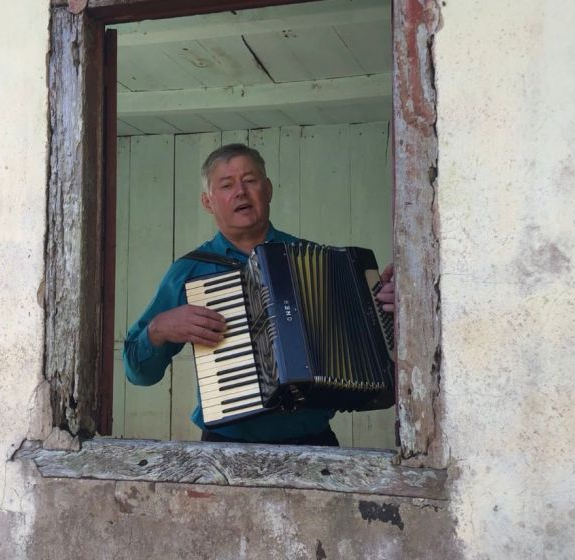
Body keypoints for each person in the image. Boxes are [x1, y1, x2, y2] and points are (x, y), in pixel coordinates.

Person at [123, 143, 395, 446]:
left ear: (267, 190)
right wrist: (158, 329)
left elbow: (365, 340)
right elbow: (138, 373)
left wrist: (385, 310)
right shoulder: (190, 271)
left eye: (250, 181)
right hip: (227, 449)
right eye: (226, 185)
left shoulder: (316, 261)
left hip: (315, 444)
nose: (240, 191)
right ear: (208, 202)